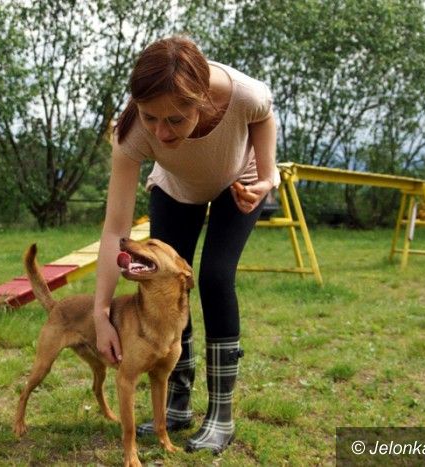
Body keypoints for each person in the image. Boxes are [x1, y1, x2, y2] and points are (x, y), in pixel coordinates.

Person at [92, 36, 279, 455]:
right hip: (176, 188)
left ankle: (221, 415)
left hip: (240, 181)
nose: (161, 132)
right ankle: (176, 404)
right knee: (165, 283)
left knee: (213, 277)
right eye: (151, 117)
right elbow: (114, 230)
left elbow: (264, 117)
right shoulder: (131, 134)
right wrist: (101, 313)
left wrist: (266, 178)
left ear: (203, 101)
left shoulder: (241, 93)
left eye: (175, 120)